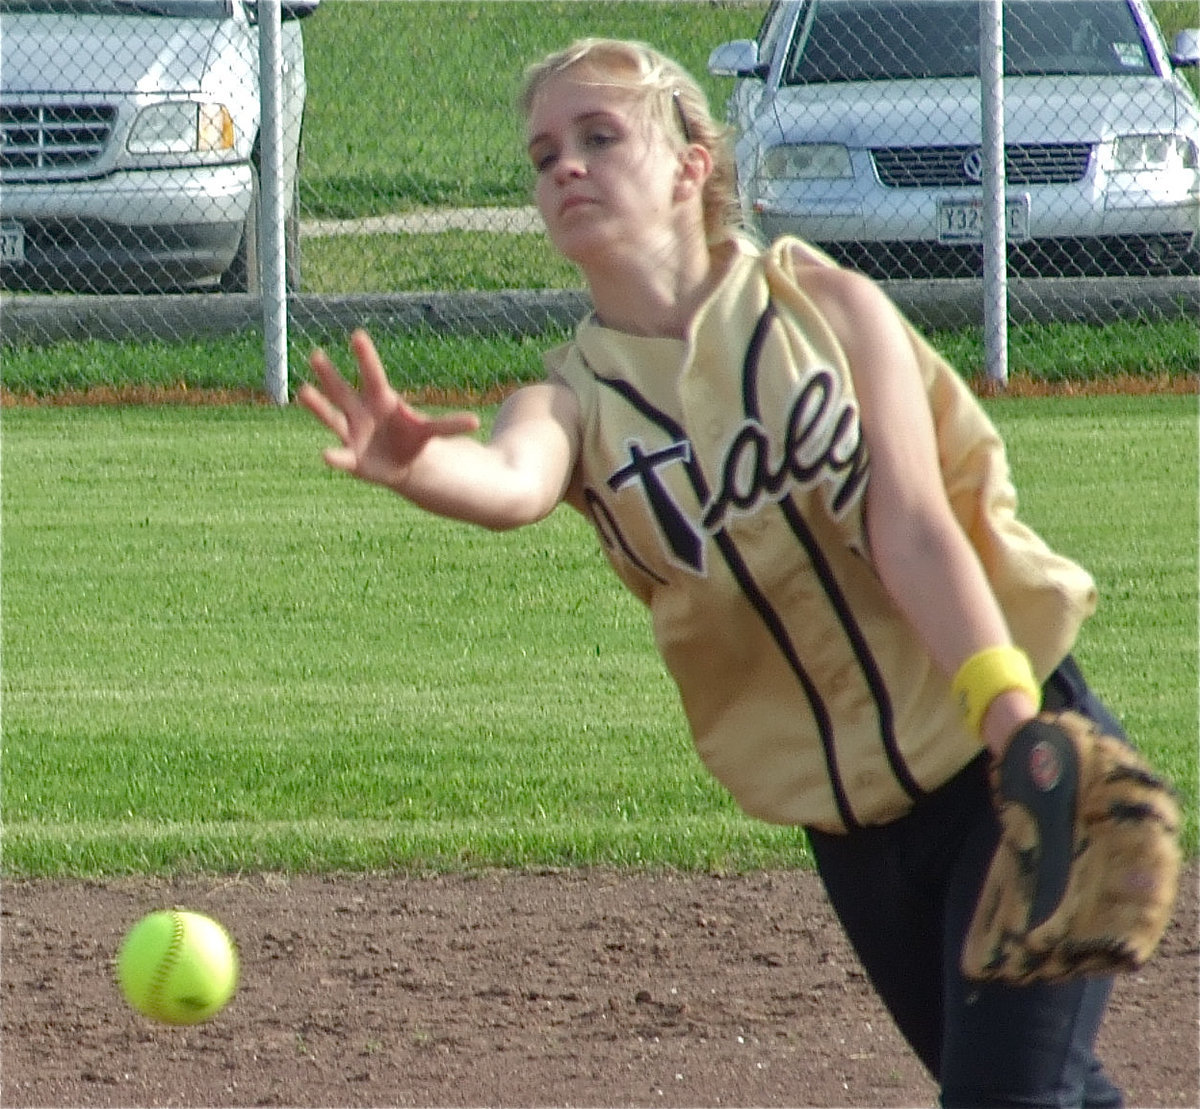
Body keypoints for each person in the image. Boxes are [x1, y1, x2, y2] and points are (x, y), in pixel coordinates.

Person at [299, 38, 1129, 1108]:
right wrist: (418, 465)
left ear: (694, 162)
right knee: (1041, 1090)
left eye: (601, 137)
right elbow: (510, 479)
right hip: (855, 836)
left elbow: (913, 526)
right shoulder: (573, 399)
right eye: (545, 152)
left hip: (1004, 754)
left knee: (1010, 1098)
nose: (566, 167)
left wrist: (1016, 727)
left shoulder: (826, 312)